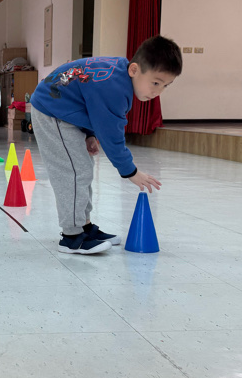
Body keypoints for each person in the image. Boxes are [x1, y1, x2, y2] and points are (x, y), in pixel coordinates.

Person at [29, 36, 183, 255]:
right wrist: (130, 171)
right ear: (134, 70)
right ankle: (72, 236)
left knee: (83, 169)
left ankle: (84, 226)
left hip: (64, 109)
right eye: (156, 83)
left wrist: (89, 134)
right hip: (51, 110)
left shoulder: (120, 75)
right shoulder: (115, 89)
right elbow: (112, 136)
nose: (158, 92)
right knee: (74, 172)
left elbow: (88, 101)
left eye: (166, 86)